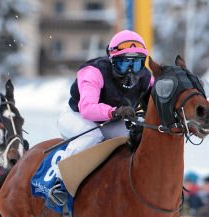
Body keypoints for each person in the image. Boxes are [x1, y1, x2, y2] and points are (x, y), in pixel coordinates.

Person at [57, 29, 153, 160]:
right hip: (77, 116)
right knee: (92, 137)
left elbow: (157, 101)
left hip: (110, 122)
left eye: (136, 64)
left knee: (135, 137)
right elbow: (87, 109)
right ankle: (61, 177)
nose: (130, 71)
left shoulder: (146, 78)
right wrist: (114, 112)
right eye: (123, 64)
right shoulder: (94, 72)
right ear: (112, 59)